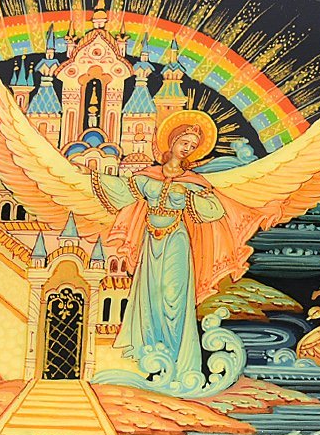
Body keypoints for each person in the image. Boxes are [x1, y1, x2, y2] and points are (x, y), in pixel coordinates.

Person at [92, 110, 258, 390]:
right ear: (171, 141)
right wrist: (90, 174)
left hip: (176, 242)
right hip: (150, 242)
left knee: (173, 299)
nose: (187, 148)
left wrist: (190, 195)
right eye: (184, 142)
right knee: (150, 298)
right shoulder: (148, 176)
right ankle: (152, 362)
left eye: (193, 146)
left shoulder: (194, 181)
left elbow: (214, 210)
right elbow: (122, 192)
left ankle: (178, 364)